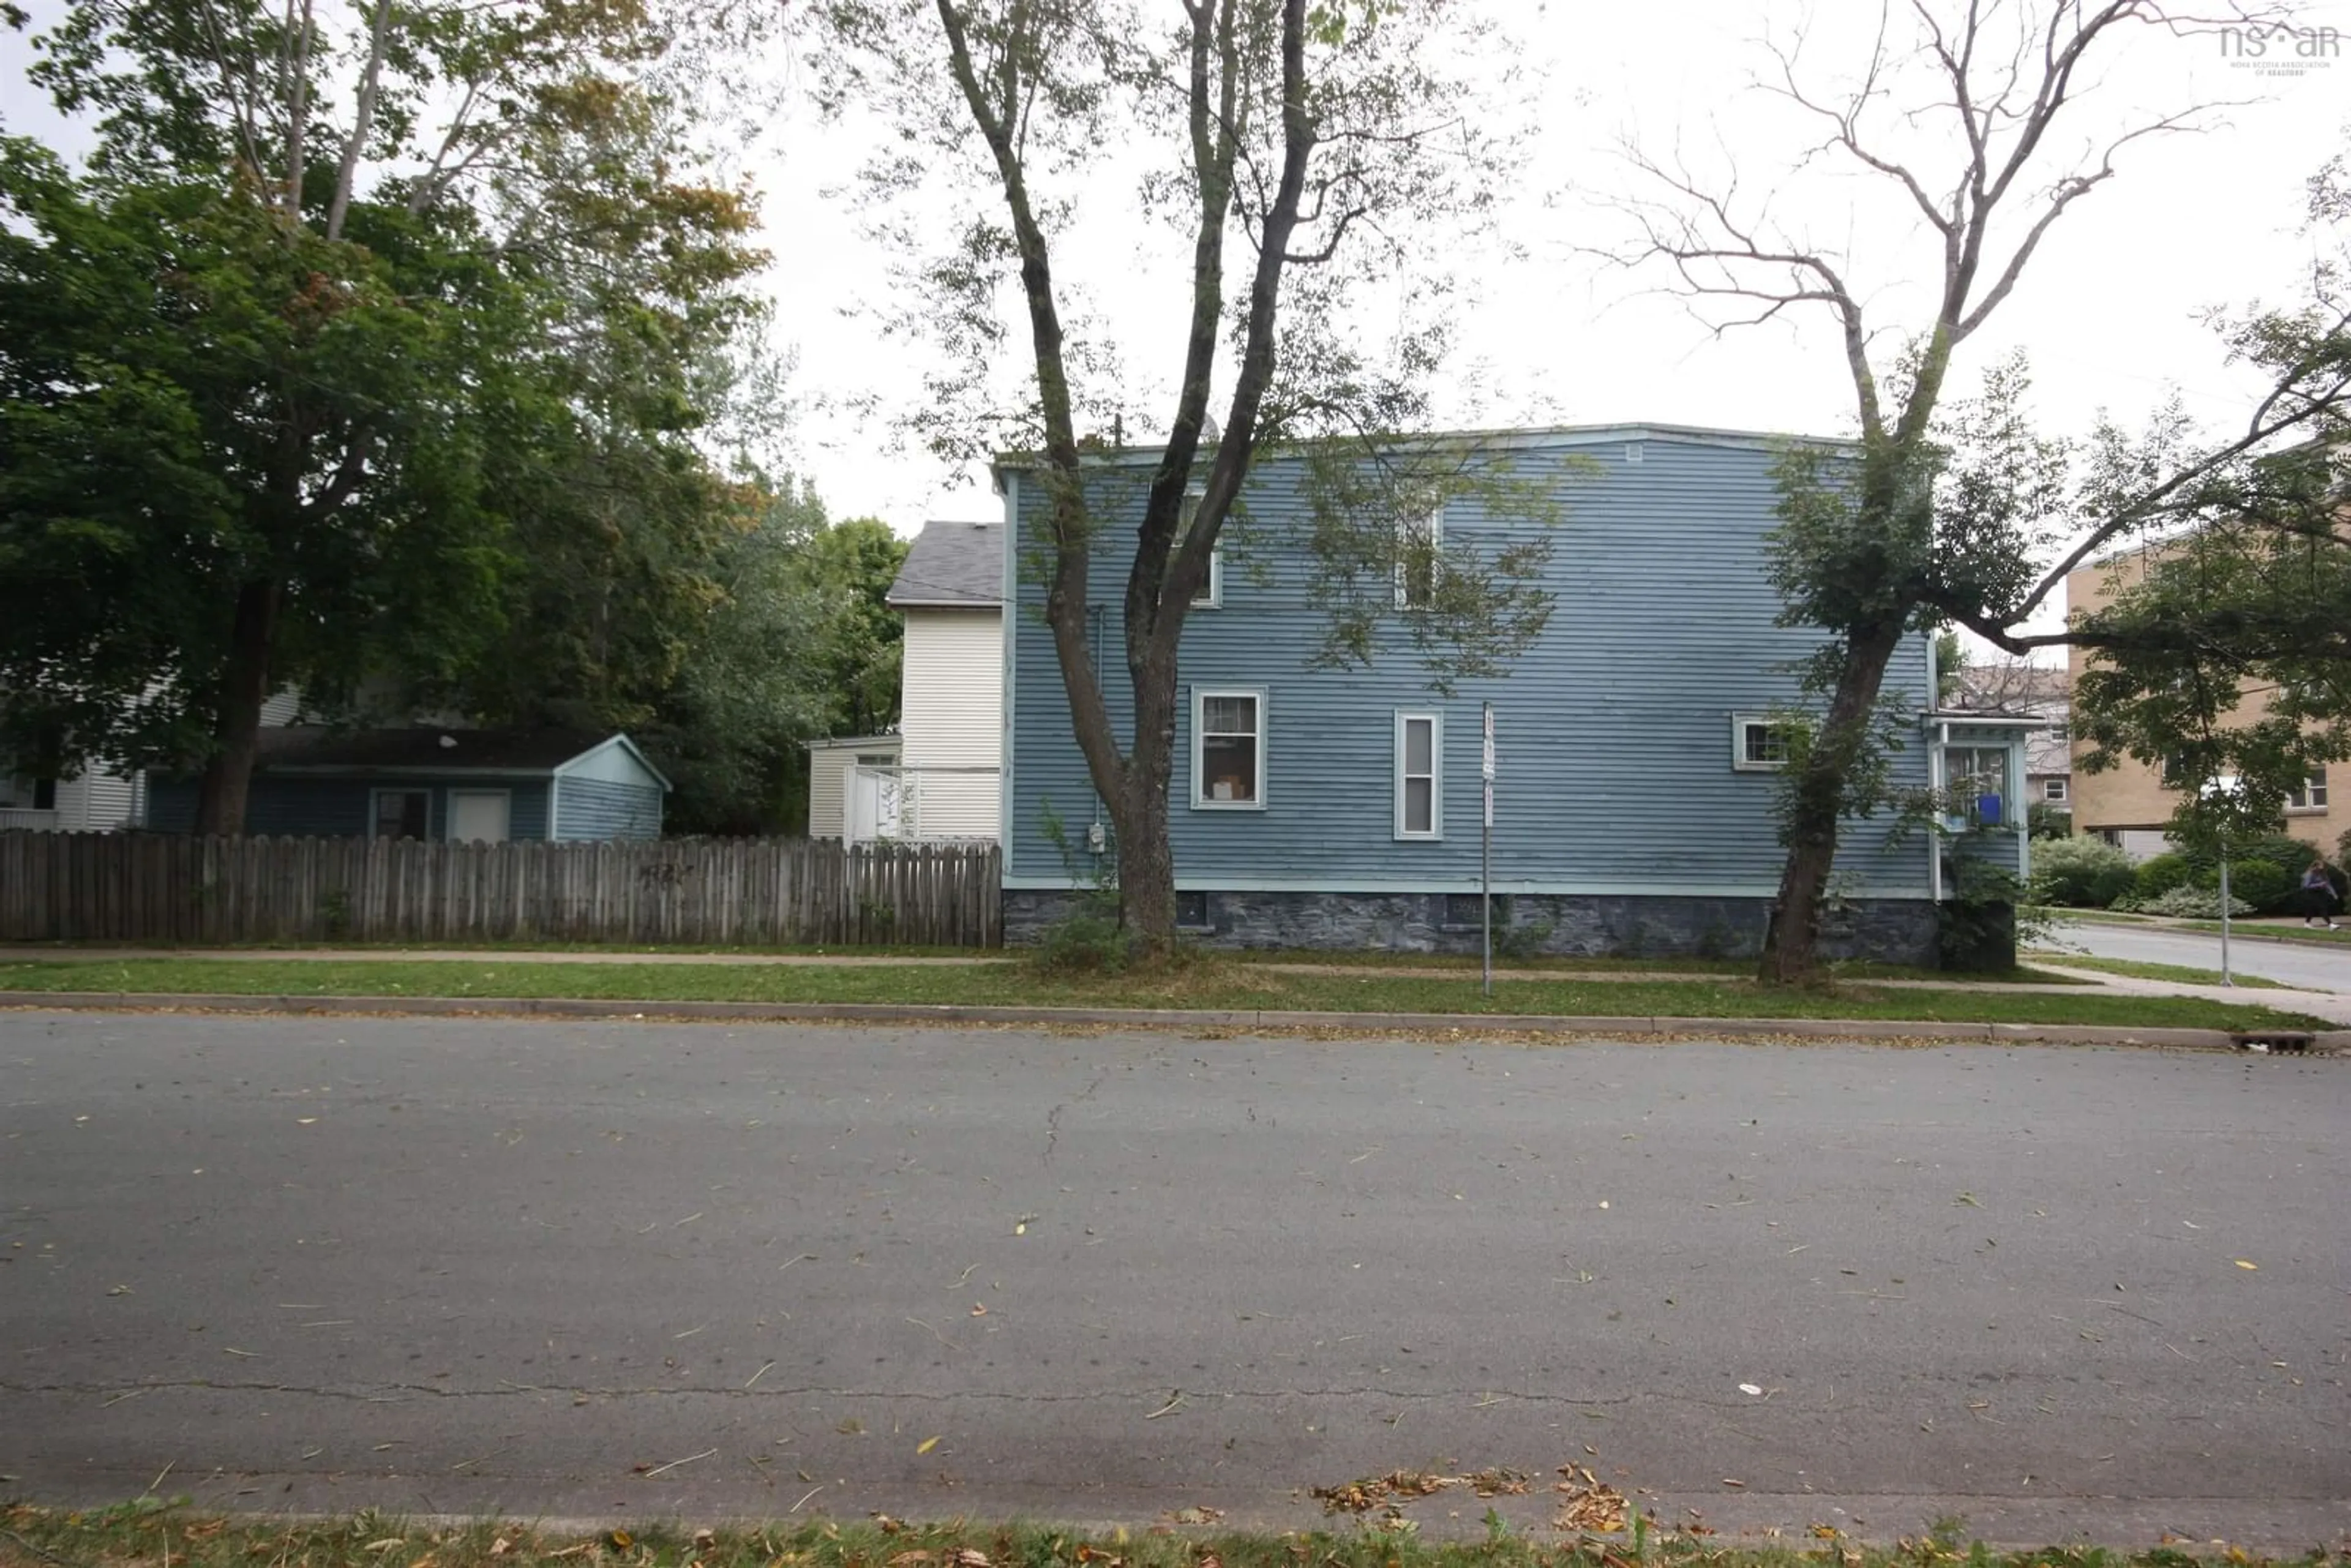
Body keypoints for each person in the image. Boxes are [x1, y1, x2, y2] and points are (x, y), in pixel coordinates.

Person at [2300, 858, 2341, 929]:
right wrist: (2319, 885)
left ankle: (2307, 923)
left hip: (2320, 893)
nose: (2322, 868)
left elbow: (2328, 884)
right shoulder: (2310, 874)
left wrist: (2334, 894)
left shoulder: (2323, 874)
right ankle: (2330, 924)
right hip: (2311, 893)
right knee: (2321, 908)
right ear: (2316, 866)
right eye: (2320, 866)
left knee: (2312, 909)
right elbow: (2307, 886)